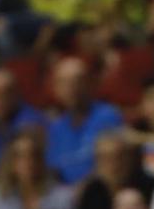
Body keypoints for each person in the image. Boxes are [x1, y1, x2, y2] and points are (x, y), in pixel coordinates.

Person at [42, 55, 124, 186]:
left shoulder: (108, 116)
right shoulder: (55, 127)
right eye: (65, 83)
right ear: (56, 89)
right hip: (64, 197)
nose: (71, 88)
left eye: (77, 81)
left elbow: (111, 164)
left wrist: (82, 189)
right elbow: (53, 169)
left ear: (89, 84)